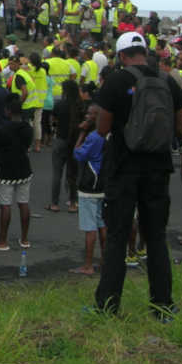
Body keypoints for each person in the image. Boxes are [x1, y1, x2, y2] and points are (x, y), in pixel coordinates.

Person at [94, 31, 182, 319]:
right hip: (158, 168)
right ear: (145, 52)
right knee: (156, 237)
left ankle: (108, 307)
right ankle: (163, 305)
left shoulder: (117, 81)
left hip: (123, 168)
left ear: (121, 56)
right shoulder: (167, 80)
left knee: (118, 237)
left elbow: (102, 129)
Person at [0, 97, 34, 250]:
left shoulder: (3, 129)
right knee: (23, 203)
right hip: (24, 168)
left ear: (8, 111)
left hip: (7, 169)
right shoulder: (27, 128)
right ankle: (24, 239)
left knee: (5, 205)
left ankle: (2, 241)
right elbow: (27, 145)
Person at [71, 104, 107, 275]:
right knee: (102, 224)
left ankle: (88, 265)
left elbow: (78, 154)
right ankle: (105, 261)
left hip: (89, 185)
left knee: (90, 226)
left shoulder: (93, 137)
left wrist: (82, 133)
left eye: (90, 114)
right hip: (103, 183)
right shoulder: (107, 135)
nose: (86, 116)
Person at [49, 79, 82, 213]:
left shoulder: (60, 104)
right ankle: (73, 203)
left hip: (60, 139)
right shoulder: (80, 105)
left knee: (57, 173)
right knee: (73, 173)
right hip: (75, 141)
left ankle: (54, 204)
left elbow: (54, 120)